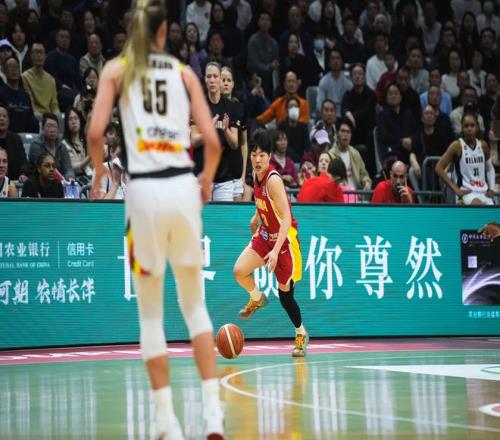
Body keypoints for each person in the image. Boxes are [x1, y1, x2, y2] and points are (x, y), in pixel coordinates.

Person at [86, 2, 224, 439]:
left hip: (143, 191)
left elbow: (95, 133)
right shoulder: (184, 73)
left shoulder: (116, 70)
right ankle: (213, 415)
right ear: (165, 31)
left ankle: (167, 422)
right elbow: (214, 142)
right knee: (195, 308)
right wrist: (206, 181)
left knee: (150, 318)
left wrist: (100, 171)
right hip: (182, 186)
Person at [233, 128, 308, 358]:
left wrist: (275, 251)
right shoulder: (255, 174)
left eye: (262, 155)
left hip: (284, 243)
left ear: (270, 156)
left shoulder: (273, 180)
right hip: (265, 234)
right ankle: (257, 298)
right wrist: (256, 217)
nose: (257, 159)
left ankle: (301, 332)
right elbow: (263, 200)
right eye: (254, 154)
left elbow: (286, 218)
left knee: (285, 297)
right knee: (239, 271)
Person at [436, 113, 495, 205]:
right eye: (466, 126)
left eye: (472, 125)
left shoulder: (483, 145)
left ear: (477, 127)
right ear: (462, 129)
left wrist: (492, 188)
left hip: (483, 192)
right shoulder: (457, 146)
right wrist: (455, 189)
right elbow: (438, 168)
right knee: (478, 206)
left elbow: (490, 168)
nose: (469, 129)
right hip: (466, 193)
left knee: (493, 213)